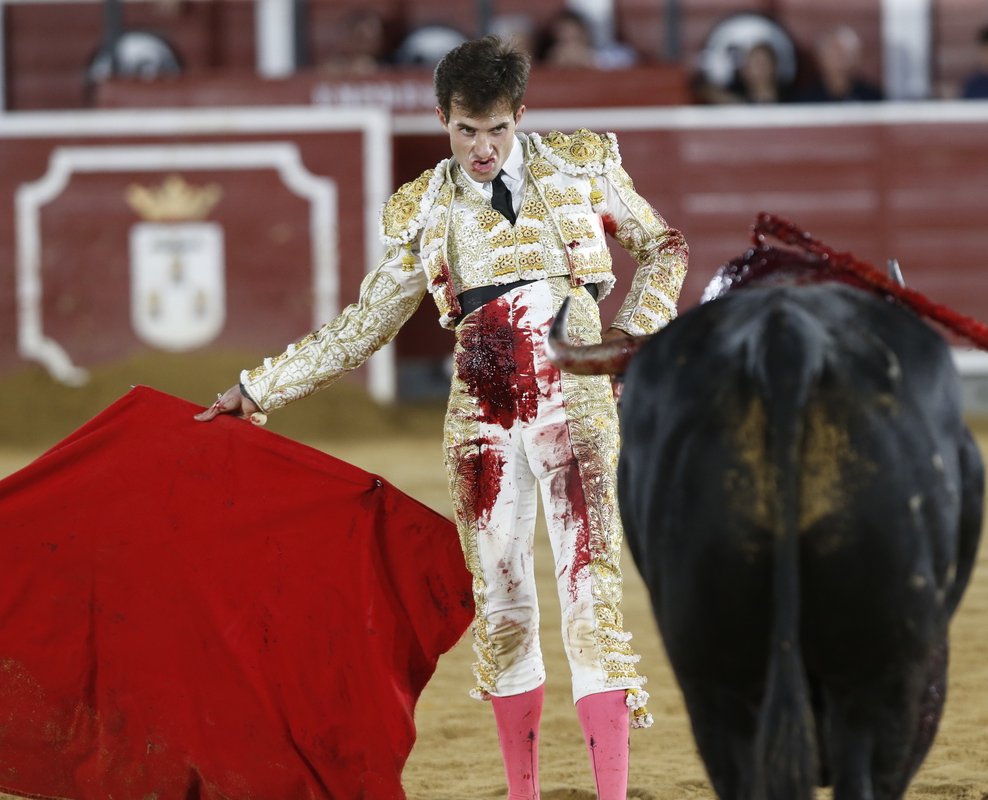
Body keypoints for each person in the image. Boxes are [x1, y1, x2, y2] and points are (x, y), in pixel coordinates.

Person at [195, 35, 688, 800]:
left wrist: (634, 329)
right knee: (503, 603)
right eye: (466, 130)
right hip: (480, 412)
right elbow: (364, 324)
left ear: (521, 115)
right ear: (442, 120)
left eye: (497, 129)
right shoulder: (425, 203)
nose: (482, 147)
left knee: (591, 592)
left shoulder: (583, 164)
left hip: (577, 395)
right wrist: (258, 390)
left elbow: (664, 248)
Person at [795, 25, 882, 102]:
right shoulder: (806, 101)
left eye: (845, 54)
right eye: (834, 54)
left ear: (857, 58)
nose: (840, 61)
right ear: (820, 59)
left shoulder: (873, 99)